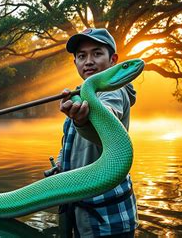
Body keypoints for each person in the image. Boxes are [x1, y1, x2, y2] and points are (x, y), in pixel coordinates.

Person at [56, 28, 139, 237]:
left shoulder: (114, 91)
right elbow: (70, 143)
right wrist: (60, 163)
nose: (89, 61)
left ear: (113, 60)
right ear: (75, 62)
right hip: (83, 219)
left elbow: (108, 114)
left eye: (97, 53)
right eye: (82, 56)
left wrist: (85, 120)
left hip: (109, 219)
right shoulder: (80, 95)